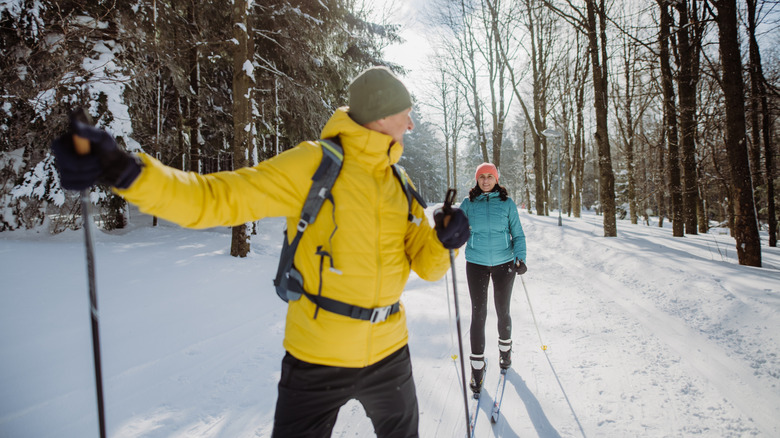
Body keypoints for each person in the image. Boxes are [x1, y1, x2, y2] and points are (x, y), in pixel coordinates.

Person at [51, 66, 470, 438]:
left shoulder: (400, 181)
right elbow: (216, 198)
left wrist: (445, 241)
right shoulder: (314, 164)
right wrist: (127, 172)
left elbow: (427, 266)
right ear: (382, 114)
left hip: (389, 354)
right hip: (316, 356)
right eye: (405, 112)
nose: (411, 124)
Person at [459, 162, 526, 394]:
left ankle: (505, 352)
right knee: (478, 313)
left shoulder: (507, 204)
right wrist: (448, 234)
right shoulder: (468, 204)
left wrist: (521, 257)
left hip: (504, 264)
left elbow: (517, 233)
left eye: (490, 176)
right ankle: (477, 369)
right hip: (476, 264)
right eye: (482, 177)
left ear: (496, 179)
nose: (486, 180)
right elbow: (458, 232)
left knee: (502, 310)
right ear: (476, 180)